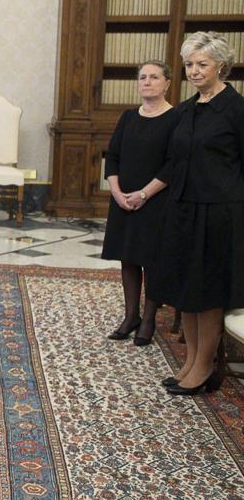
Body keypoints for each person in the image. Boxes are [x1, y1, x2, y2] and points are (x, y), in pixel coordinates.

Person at [153, 31, 244, 395]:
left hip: (219, 213)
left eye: (201, 64)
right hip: (184, 210)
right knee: (186, 291)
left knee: (207, 294)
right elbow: (176, 161)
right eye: (189, 64)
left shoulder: (236, 109)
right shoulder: (187, 109)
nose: (193, 70)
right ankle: (190, 361)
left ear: (220, 65)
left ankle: (204, 367)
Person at [101, 61, 176, 346]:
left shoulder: (175, 118)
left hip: (156, 200)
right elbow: (113, 157)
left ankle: (148, 320)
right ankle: (130, 316)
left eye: (154, 77)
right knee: (128, 258)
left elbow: (173, 164)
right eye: (142, 77)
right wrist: (118, 193)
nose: (147, 81)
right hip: (123, 201)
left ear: (167, 83)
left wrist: (144, 194)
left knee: (151, 261)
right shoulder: (128, 117)